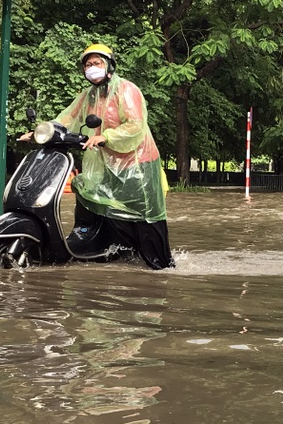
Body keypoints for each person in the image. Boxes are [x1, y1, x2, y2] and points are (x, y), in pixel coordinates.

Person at [22, 43, 174, 269]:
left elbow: (135, 125)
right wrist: (43, 132)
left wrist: (106, 136)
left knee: (144, 219)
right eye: (87, 65)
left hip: (136, 165)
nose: (91, 68)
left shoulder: (126, 89)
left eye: (97, 63)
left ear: (109, 65)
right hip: (105, 164)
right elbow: (67, 118)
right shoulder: (88, 96)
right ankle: (104, 251)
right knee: (94, 200)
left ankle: (160, 267)